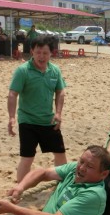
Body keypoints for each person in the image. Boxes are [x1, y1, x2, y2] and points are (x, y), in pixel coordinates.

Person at [8, 35, 67, 183]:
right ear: (32, 52)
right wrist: (12, 117)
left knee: (60, 153)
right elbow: (13, 94)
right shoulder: (23, 71)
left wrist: (58, 113)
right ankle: (20, 188)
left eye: (45, 53)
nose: (41, 56)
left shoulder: (55, 70)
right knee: (27, 157)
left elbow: (60, 92)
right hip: (27, 120)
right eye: (38, 52)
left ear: (51, 53)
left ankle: (62, 185)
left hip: (49, 120)